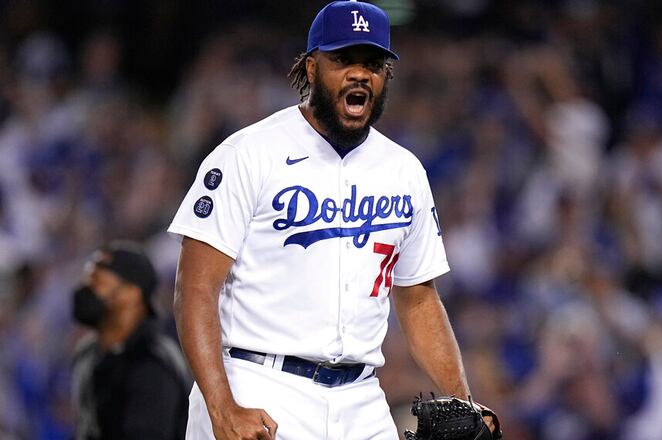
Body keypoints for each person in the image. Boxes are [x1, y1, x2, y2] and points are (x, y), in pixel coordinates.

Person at [168, 1, 500, 439]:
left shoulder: (404, 171)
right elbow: (195, 288)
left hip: (361, 399)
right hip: (258, 383)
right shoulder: (249, 154)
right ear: (310, 68)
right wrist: (221, 404)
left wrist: (463, 403)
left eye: (373, 63)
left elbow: (418, 299)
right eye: (343, 60)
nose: (360, 73)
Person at [71, 241, 190, 439]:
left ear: (131, 293)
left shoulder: (153, 362)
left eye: (96, 283)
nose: (85, 291)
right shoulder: (89, 353)